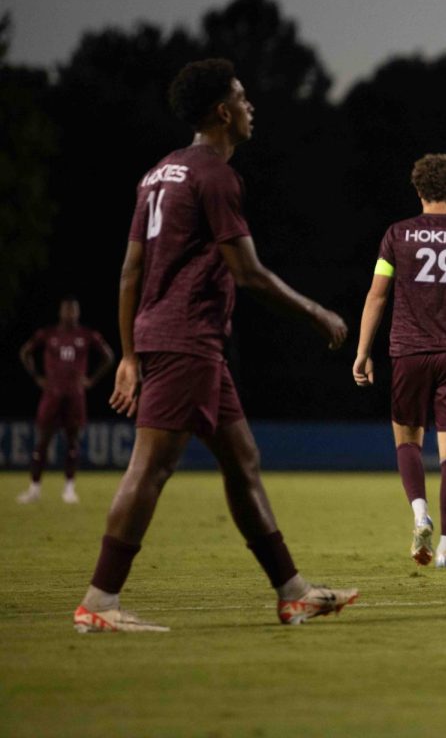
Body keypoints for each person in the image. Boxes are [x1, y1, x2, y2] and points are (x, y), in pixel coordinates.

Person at [73, 58, 357, 633]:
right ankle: (99, 601)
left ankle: (291, 591)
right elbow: (247, 272)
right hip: (186, 338)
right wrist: (316, 312)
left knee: (242, 461)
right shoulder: (215, 176)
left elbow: (131, 270)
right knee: (150, 467)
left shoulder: (159, 172)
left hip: (179, 339)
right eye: (243, 99)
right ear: (224, 112)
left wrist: (130, 352)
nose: (252, 108)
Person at [354, 153, 446, 569]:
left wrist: (363, 351)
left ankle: (420, 513)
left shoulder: (396, 235)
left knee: (407, 441)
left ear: (418, 189)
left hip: (408, 353)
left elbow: (377, 295)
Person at [17, 297, 114, 504]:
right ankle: (34, 488)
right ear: (60, 312)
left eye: (73, 310)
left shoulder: (86, 335)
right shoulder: (48, 334)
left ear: (78, 313)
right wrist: (37, 377)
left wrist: (91, 380)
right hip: (51, 394)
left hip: (75, 395)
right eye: (67, 310)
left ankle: (69, 488)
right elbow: (25, 352)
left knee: (72, 442)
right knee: (42, 442)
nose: (70, 314)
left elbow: (108, 356)